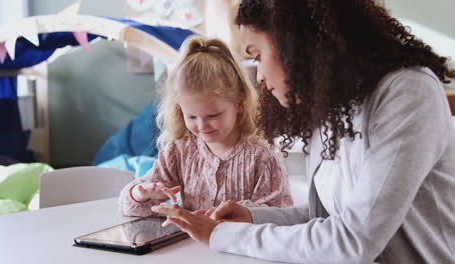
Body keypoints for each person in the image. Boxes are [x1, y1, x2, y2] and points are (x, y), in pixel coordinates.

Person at [151, 0, 455, 263]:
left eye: (258, 56)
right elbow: (325, 218)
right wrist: (253, 217)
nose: (260, 79)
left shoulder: (407, 92)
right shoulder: (331, 110)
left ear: (293, 45)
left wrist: (225, 235)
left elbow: (354, 240)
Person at [119, 35, 293, 217]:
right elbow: (132, 209)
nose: (202, 125)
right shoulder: (178, 153)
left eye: (213, 115)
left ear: (239, 104)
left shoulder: (261, 156)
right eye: (191, 116)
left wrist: (238, 215)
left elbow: (280, 215)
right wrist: (140, 194)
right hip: (189, 245)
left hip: (238, 245)